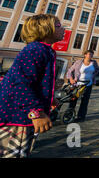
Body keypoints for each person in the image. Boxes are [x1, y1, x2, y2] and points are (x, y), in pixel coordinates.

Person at [0, 14, 65, 158]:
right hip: (17, 118)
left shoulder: (43, 50)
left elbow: (36, 82)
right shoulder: (36, 50)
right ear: (45, 29)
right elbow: (20, 84)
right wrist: (36, 112)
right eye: (58, 26)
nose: (63, 29)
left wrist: (49, 99)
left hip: (21, 116)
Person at [66, 49, 99, 122]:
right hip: (78, 84)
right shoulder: (78, 62)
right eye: (89, 54)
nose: (90, 56)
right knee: (73, 100)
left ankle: (81, 117)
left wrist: (93, 79)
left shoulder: (94, 63)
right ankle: (69, 115)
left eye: (91, 54)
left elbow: (97, 70)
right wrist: (71, 79)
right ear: (85, 55)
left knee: (85, 101)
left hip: (88, 84)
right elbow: (69, 71)